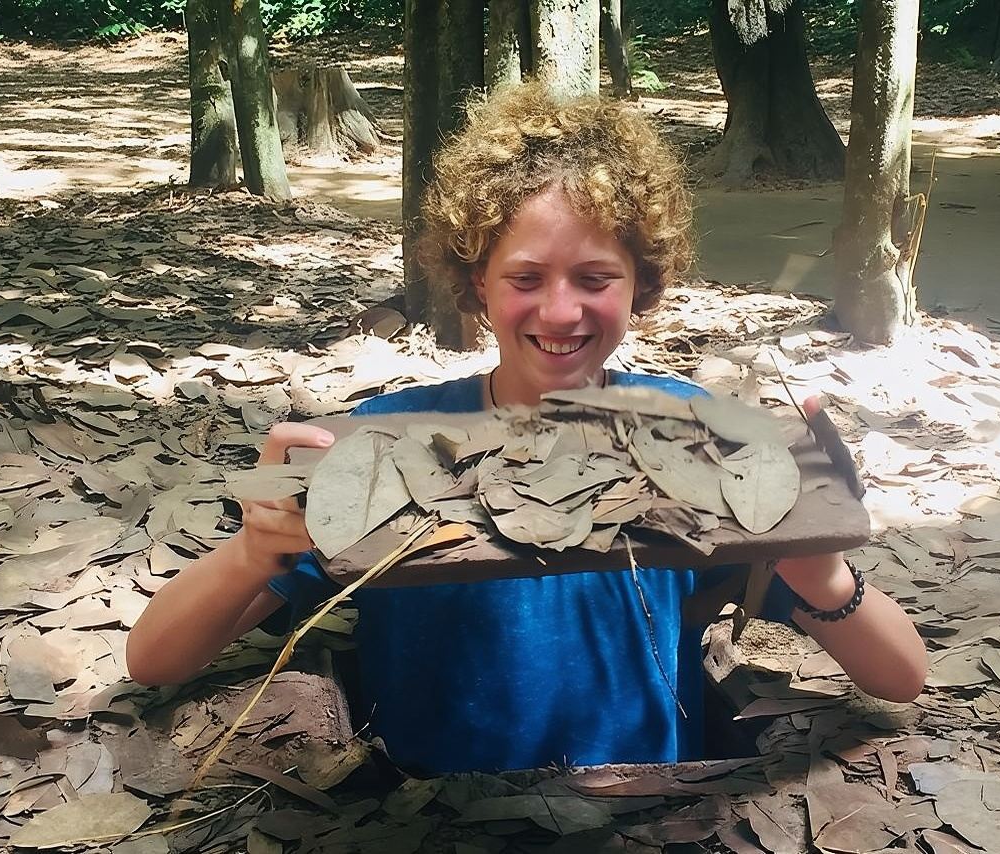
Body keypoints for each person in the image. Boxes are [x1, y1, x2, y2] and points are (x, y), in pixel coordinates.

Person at [127, 80, 927, 775]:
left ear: (642, 282)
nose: (559, 310)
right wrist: (251, 552)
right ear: (477, 280)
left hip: (647, 801)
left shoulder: (695, 436)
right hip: (437, 810)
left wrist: (818, 571)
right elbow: (154, 660)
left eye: (594, 278)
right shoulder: (383, 443)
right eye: (525, 278)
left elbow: (899, 676)